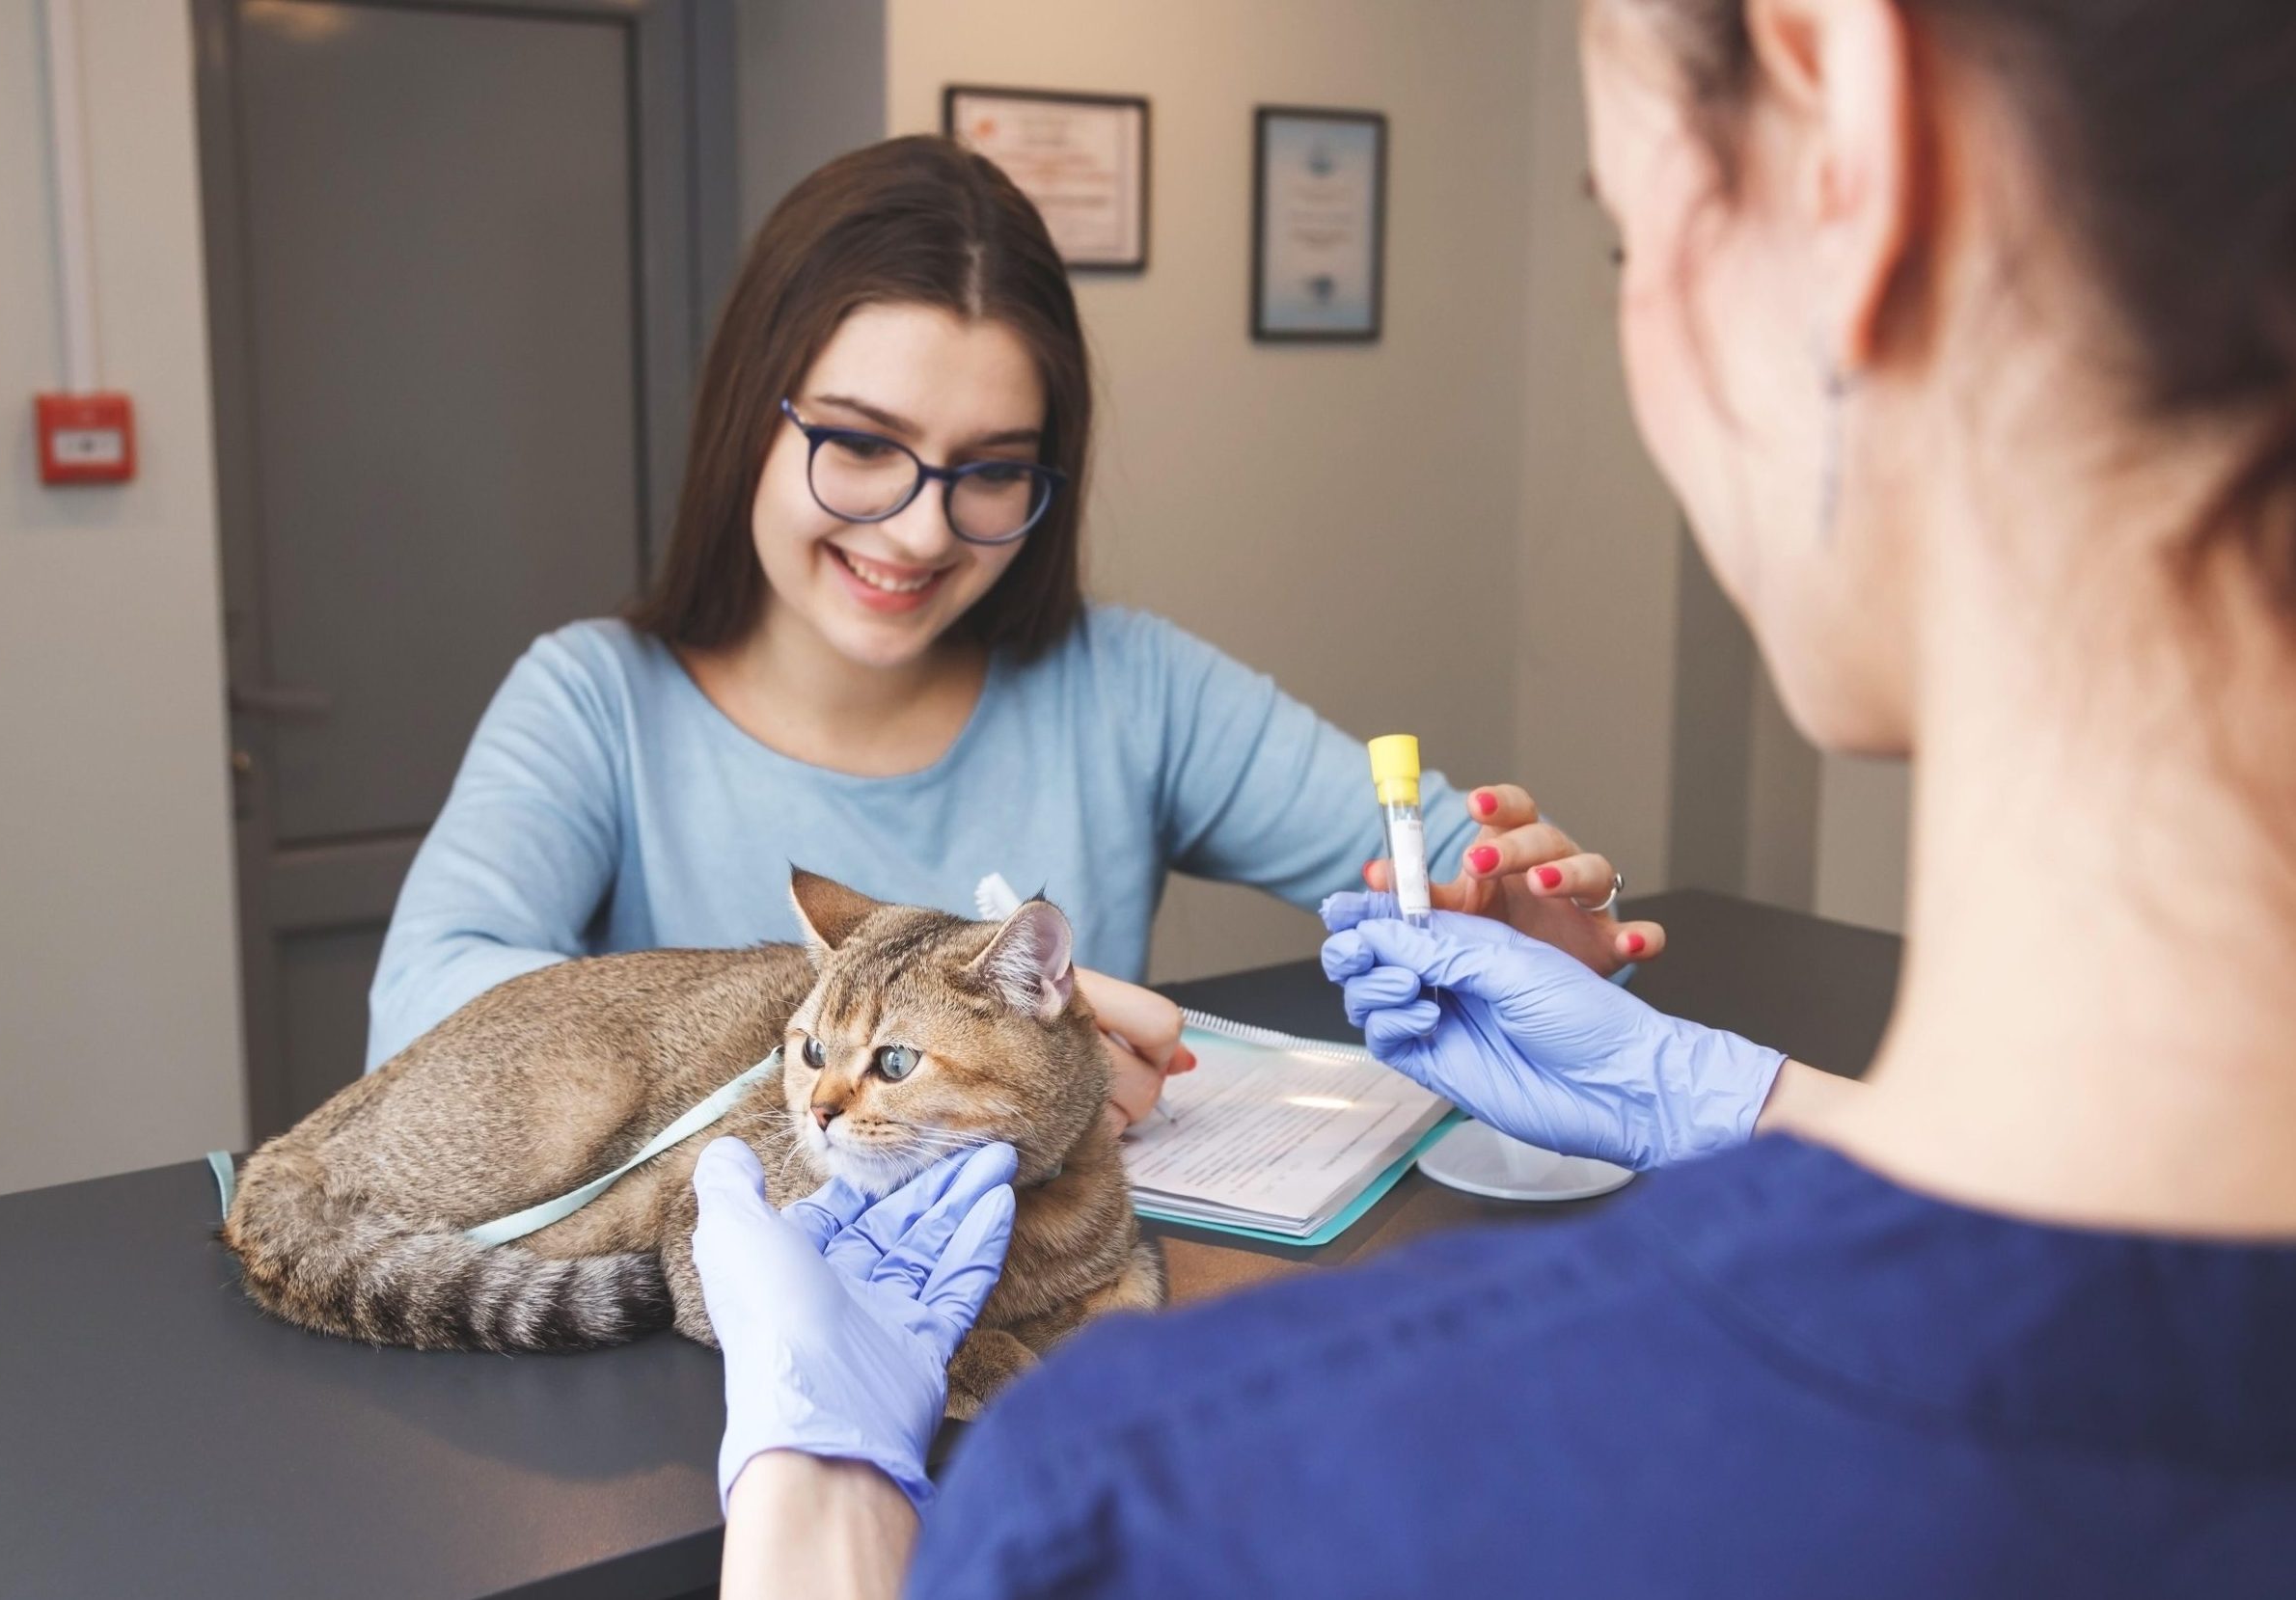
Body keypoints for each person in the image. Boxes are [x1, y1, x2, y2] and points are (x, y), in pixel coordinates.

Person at [690, 0, 2296, 1593]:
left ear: (1846, 148)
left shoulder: (1149, 1503)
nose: (916, 524)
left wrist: (819, 1511)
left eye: (1621, 239)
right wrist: (1719, 1094)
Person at [365, 135, 1657, 1130]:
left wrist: (1511, 937)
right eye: (863, 445)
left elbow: (1424, 862)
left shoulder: (1128, 684)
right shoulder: (596, 703)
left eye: (990, 471)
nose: (922, 533)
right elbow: (418, 1022)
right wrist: (969, 1056)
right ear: (746, 422)